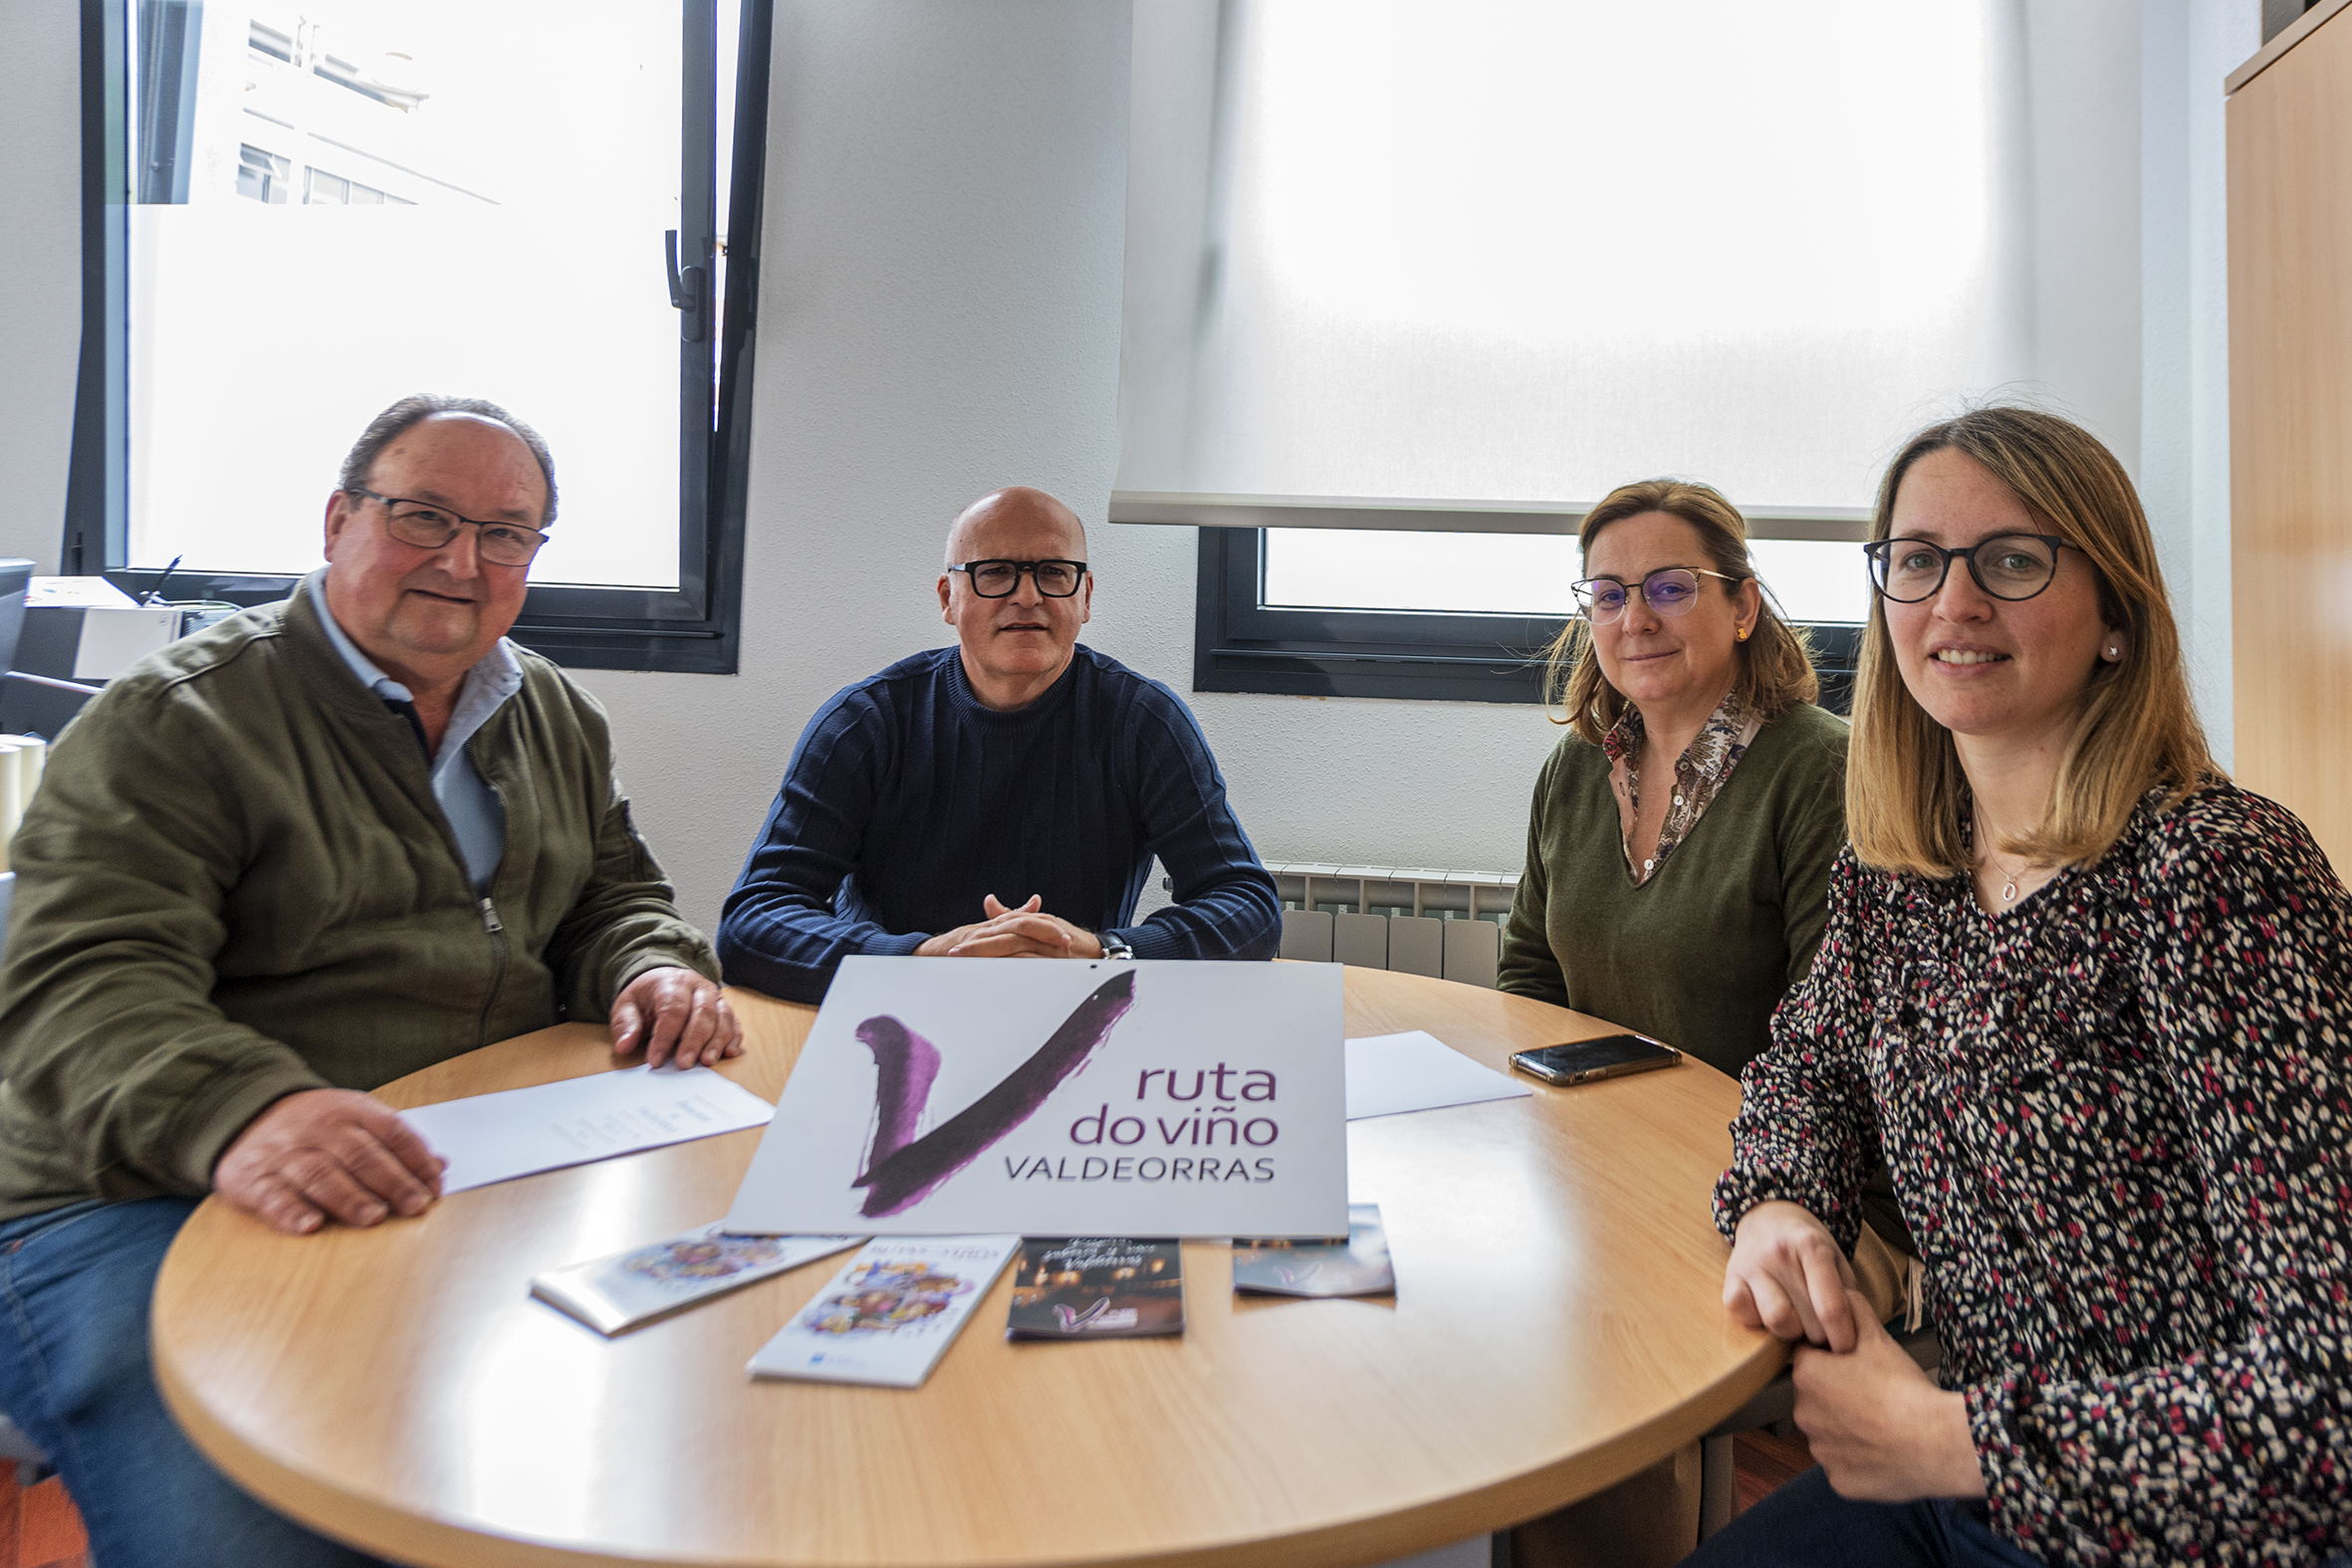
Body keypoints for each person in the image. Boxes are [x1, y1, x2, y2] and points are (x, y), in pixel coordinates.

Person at [0, 394, 739, 1568]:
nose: (462, 561)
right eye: (423, 516)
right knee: (267, 1533)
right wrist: (246, 1110)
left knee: (641, 1439)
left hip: (444, 1157)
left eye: (506, 534)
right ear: (339, 519)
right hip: (132, 1188)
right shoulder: (181, 717)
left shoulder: (552, 711)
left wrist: (650, 963)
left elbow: (612, 895)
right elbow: (79, 977)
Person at [1702, 407, 2352, 1566]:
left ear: (2115, 618)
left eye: (2011, 561)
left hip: (2170, 1527)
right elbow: (1807, 1070)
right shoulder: (1903, 868)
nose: (1953, 603)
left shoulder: (2214, 873)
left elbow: (2330, 1398)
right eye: (1916, 561)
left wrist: (1954, 1442)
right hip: (1963, 1480)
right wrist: (1779, 1202)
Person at [718, 485, 1281, 1002]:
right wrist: (921, 958)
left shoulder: (1144, 722)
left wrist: (1102, 952)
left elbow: (1248, 908)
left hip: (1072, 1010)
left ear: (1085, 596)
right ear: (949, 597)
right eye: (995, 573)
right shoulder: (864, 723)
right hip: (890, 1011)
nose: (1028, 596)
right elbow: (755, 920)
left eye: (1054, 572)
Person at [1499, 479, 1849, 1081]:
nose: (1635, 620)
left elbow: (1828, 1038)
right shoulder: (1574, 766)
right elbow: (1530, 975)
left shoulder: (1822, 769)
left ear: (1742, 607)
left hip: (1745, 1134)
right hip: (1586, 1119)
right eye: (1609, 596)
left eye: (1670, 589)